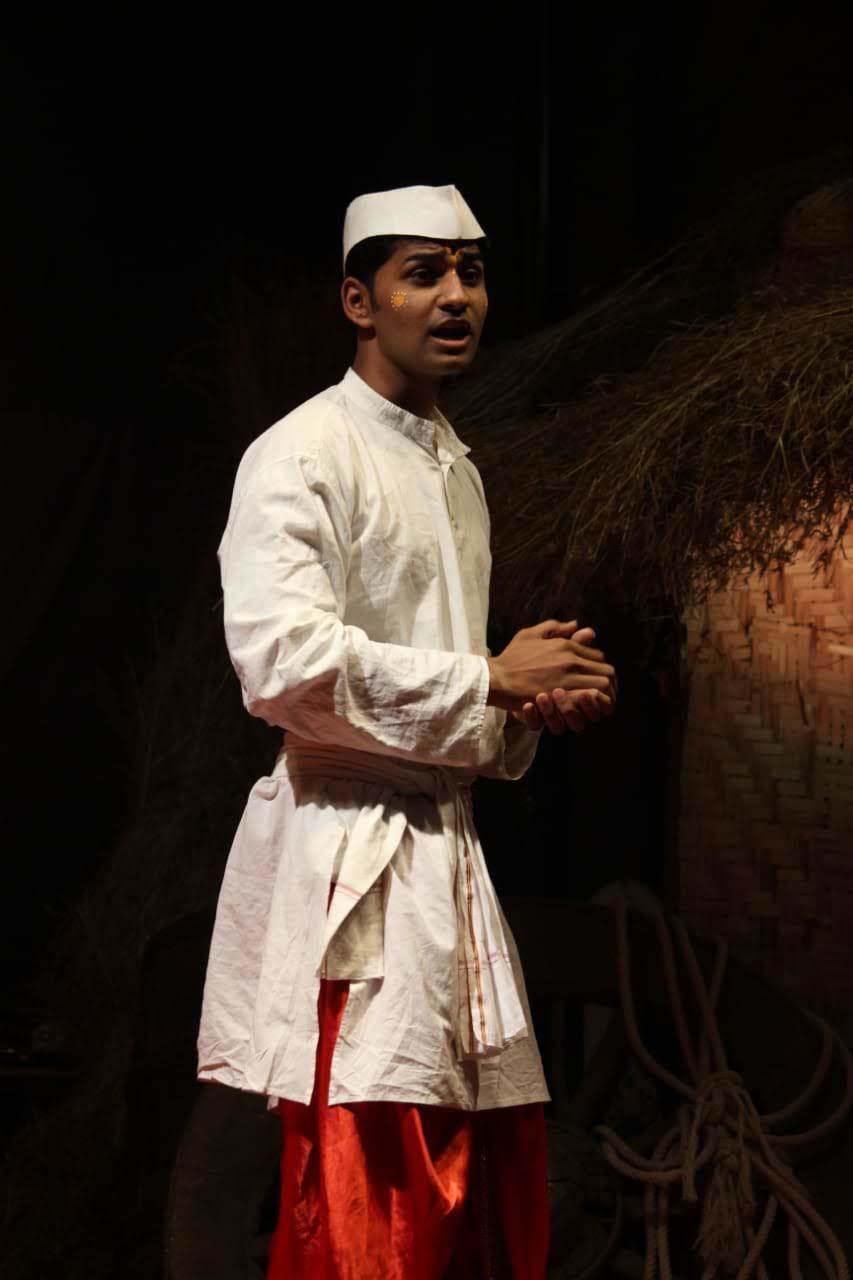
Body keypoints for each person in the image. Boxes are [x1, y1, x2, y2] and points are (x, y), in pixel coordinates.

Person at [197, 184, 616, 1279]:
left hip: (444, 859)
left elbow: (455, 694)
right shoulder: (301, 453)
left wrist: (523, 704)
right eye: (422, 274)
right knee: (372, 1196)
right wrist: (487, 677)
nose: (455, 296)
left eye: (470, 272)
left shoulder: (454, 467)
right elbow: (283, 663)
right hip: (352, 862)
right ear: (358, 300)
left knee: (480, 1189)